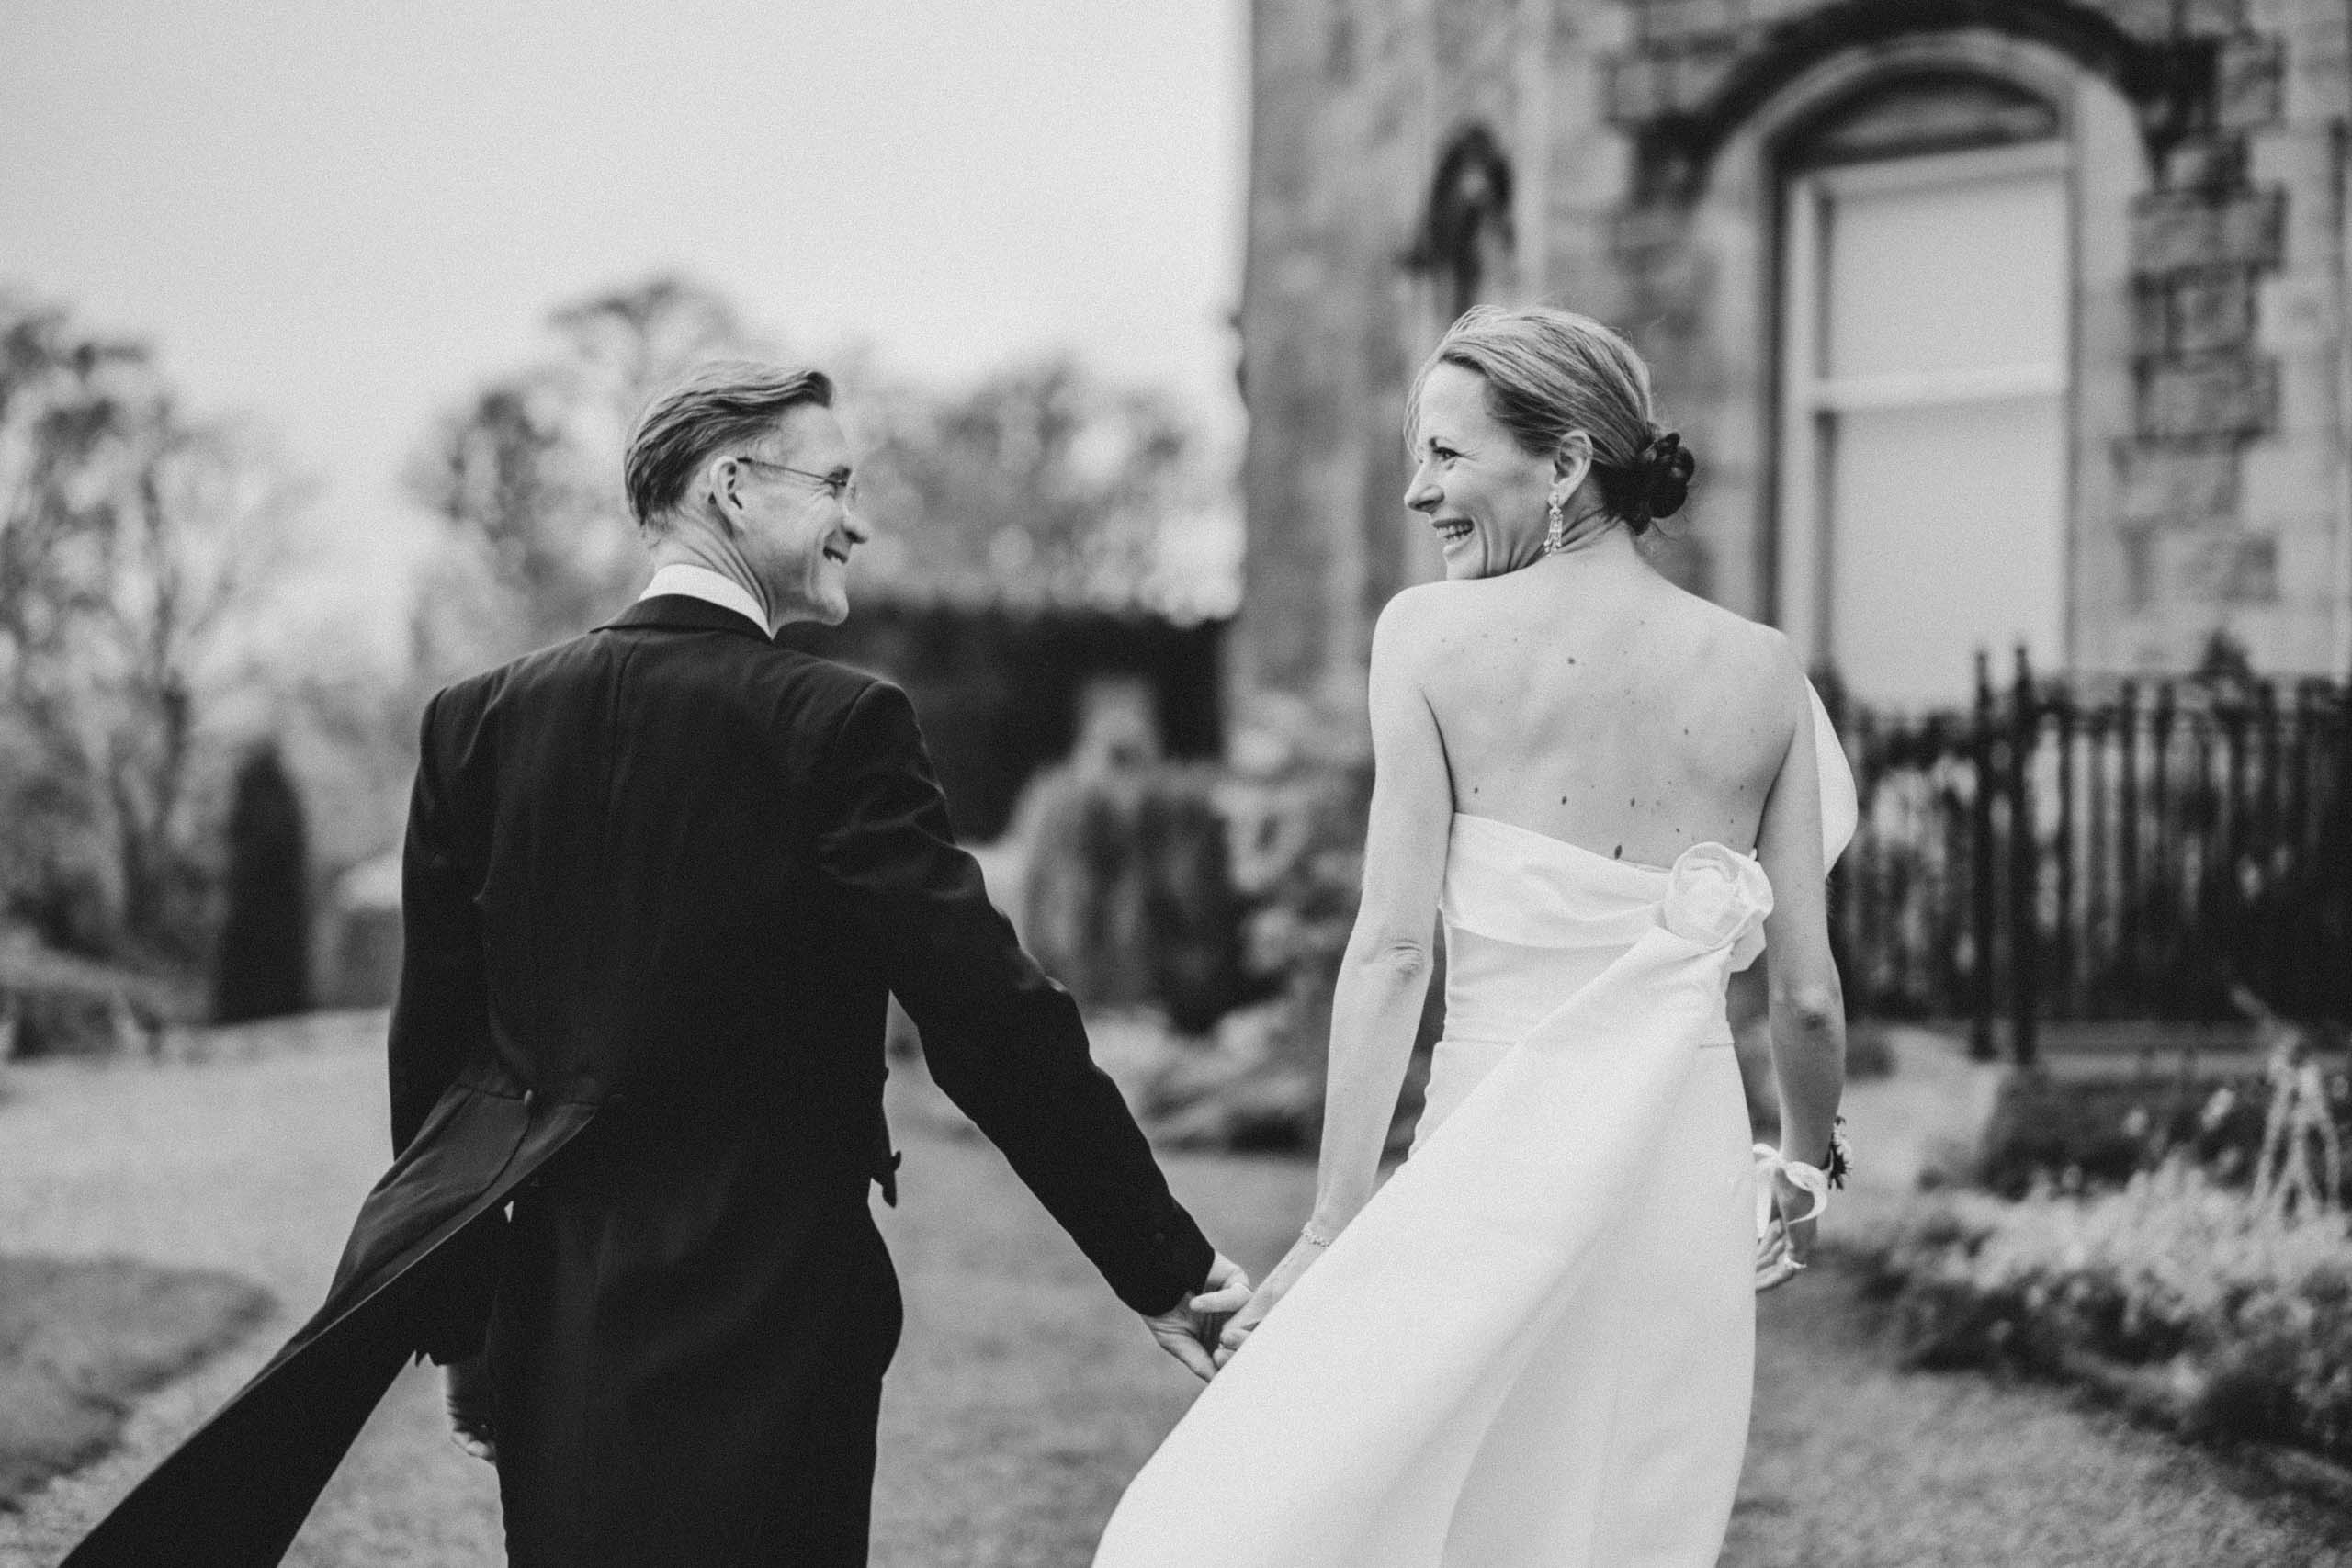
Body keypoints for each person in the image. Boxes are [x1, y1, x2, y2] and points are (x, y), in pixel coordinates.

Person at [65, 361, 1248, 1568]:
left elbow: (443, 1068)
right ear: (735, 488)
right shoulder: (838, 727)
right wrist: (1162, 1265)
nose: (860, 520)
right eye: (835, 483)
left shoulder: (476, 724)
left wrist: (475, 1330)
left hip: (560, 1315)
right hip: (780, 1314)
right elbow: (992, 1022)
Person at [1093, 305, 1855, 1568]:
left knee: (1435, 1503)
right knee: (1623, 1511)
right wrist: (1806, 1174)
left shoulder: (1430, 640)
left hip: (1488, 1156)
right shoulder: (1768, 672)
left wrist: (1339, 1220)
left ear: (1563, 465)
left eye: (1446, 456)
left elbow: (1392, 952)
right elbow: (1809, 996)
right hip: (1680, 1171)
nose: (1414, 491)